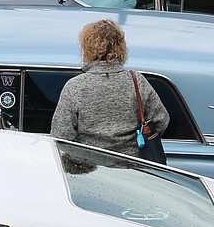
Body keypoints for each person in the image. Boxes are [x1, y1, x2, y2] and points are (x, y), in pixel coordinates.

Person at [50, 19, 169, 157]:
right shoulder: (136, 81)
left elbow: (60, 136)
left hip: (89, 169)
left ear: (87, 48)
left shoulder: (75, 86)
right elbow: (161, 120)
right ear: (121, 47)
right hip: (133, 169)